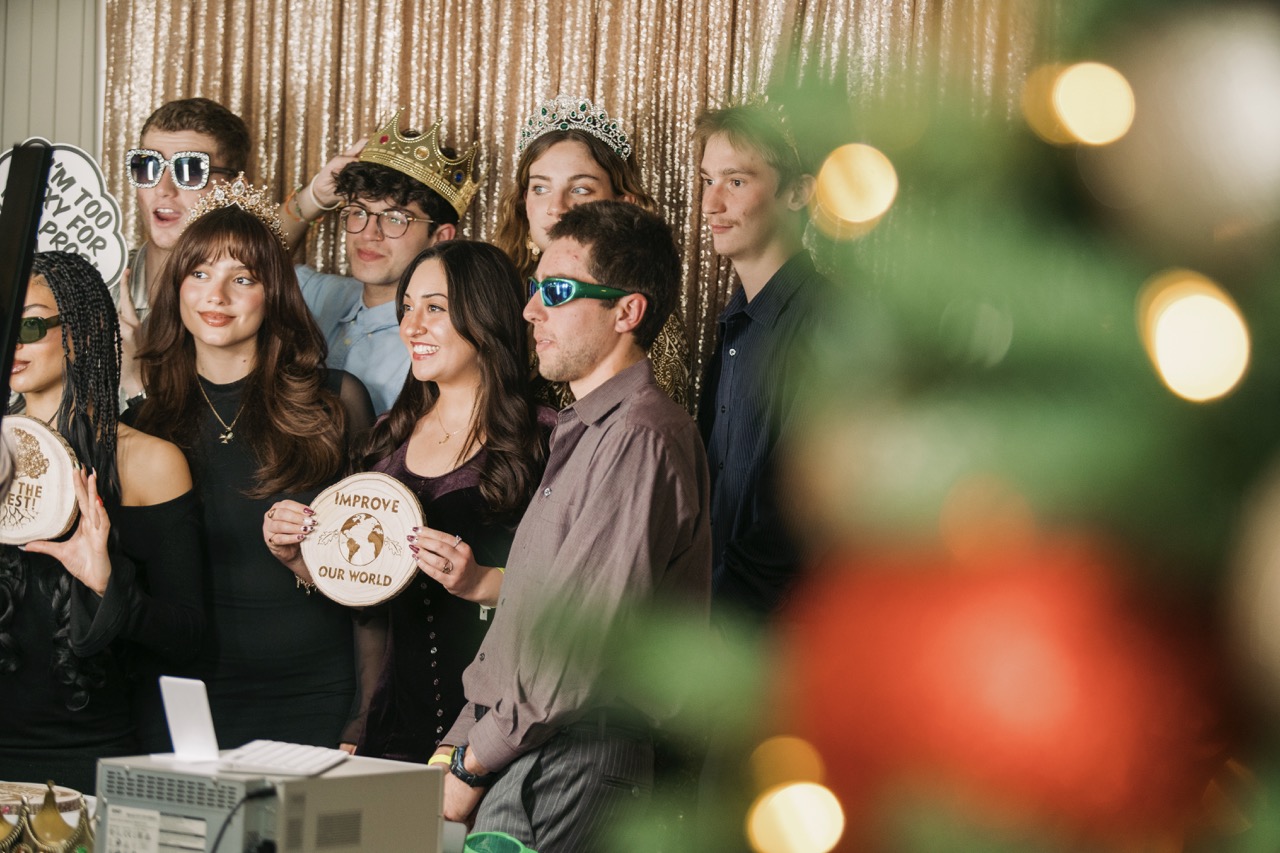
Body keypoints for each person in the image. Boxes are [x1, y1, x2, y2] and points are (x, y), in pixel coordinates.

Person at [436, 200, 712, 852]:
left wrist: (474, 760)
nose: (531, 310)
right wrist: (460, 746)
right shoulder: (586, 430)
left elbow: (576, 646)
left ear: (627, 311)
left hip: (570, 760)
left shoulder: (641, 437)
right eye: (535, 289)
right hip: (528, 752)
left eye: (556, 292)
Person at [264, 241, 553, 762]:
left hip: (502, 730)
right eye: (407, 308)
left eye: (435, 308)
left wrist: (480, 582)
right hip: (396, 721)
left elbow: (582, 595)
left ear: (485, 312)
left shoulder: (549, 440)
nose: (411, 326)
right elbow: (370, 599)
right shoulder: (386, 440)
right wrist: (304, 561)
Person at [133, 178, 375, 749]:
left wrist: (367, 709)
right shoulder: (144, 423)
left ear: (274, 294)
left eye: (242, 278)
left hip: (310, 690)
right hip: (180, 695)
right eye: (199, 274)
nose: (216, 296)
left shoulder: (337, 401)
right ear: (177, 287)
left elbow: (374, 574)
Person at [0, 251, 202, 791]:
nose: (11, 342)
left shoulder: (150, 462)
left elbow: (190, 639)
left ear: (84, 332)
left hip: (92, 764)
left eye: (30, 324)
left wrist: (109, 586)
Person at [694, 101, 826, 624]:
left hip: (773, 631)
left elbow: (800, 510)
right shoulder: (732, 327)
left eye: (736, 181)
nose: (710, 202)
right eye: (706, 180)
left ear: (797, 193)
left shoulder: (824, 321)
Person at [277, 110, 483, 414]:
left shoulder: (442, 340)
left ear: (440, 237)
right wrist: (313, 198)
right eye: (358, 212)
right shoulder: (318, 292)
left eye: (395, 219)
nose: (369, 234)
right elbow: (243, 262)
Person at [493, 94, 690, 411]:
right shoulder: (497, 291)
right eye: (540, 188)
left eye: (580, 189)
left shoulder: (641, 317)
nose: (557, 207)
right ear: (522, 201)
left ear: (621, 203)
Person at [118, 97, 251, 406]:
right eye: (148, 166)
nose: (164, 188)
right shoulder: (92, 291)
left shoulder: (243, 310)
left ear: (233, 188)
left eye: (189, 170)